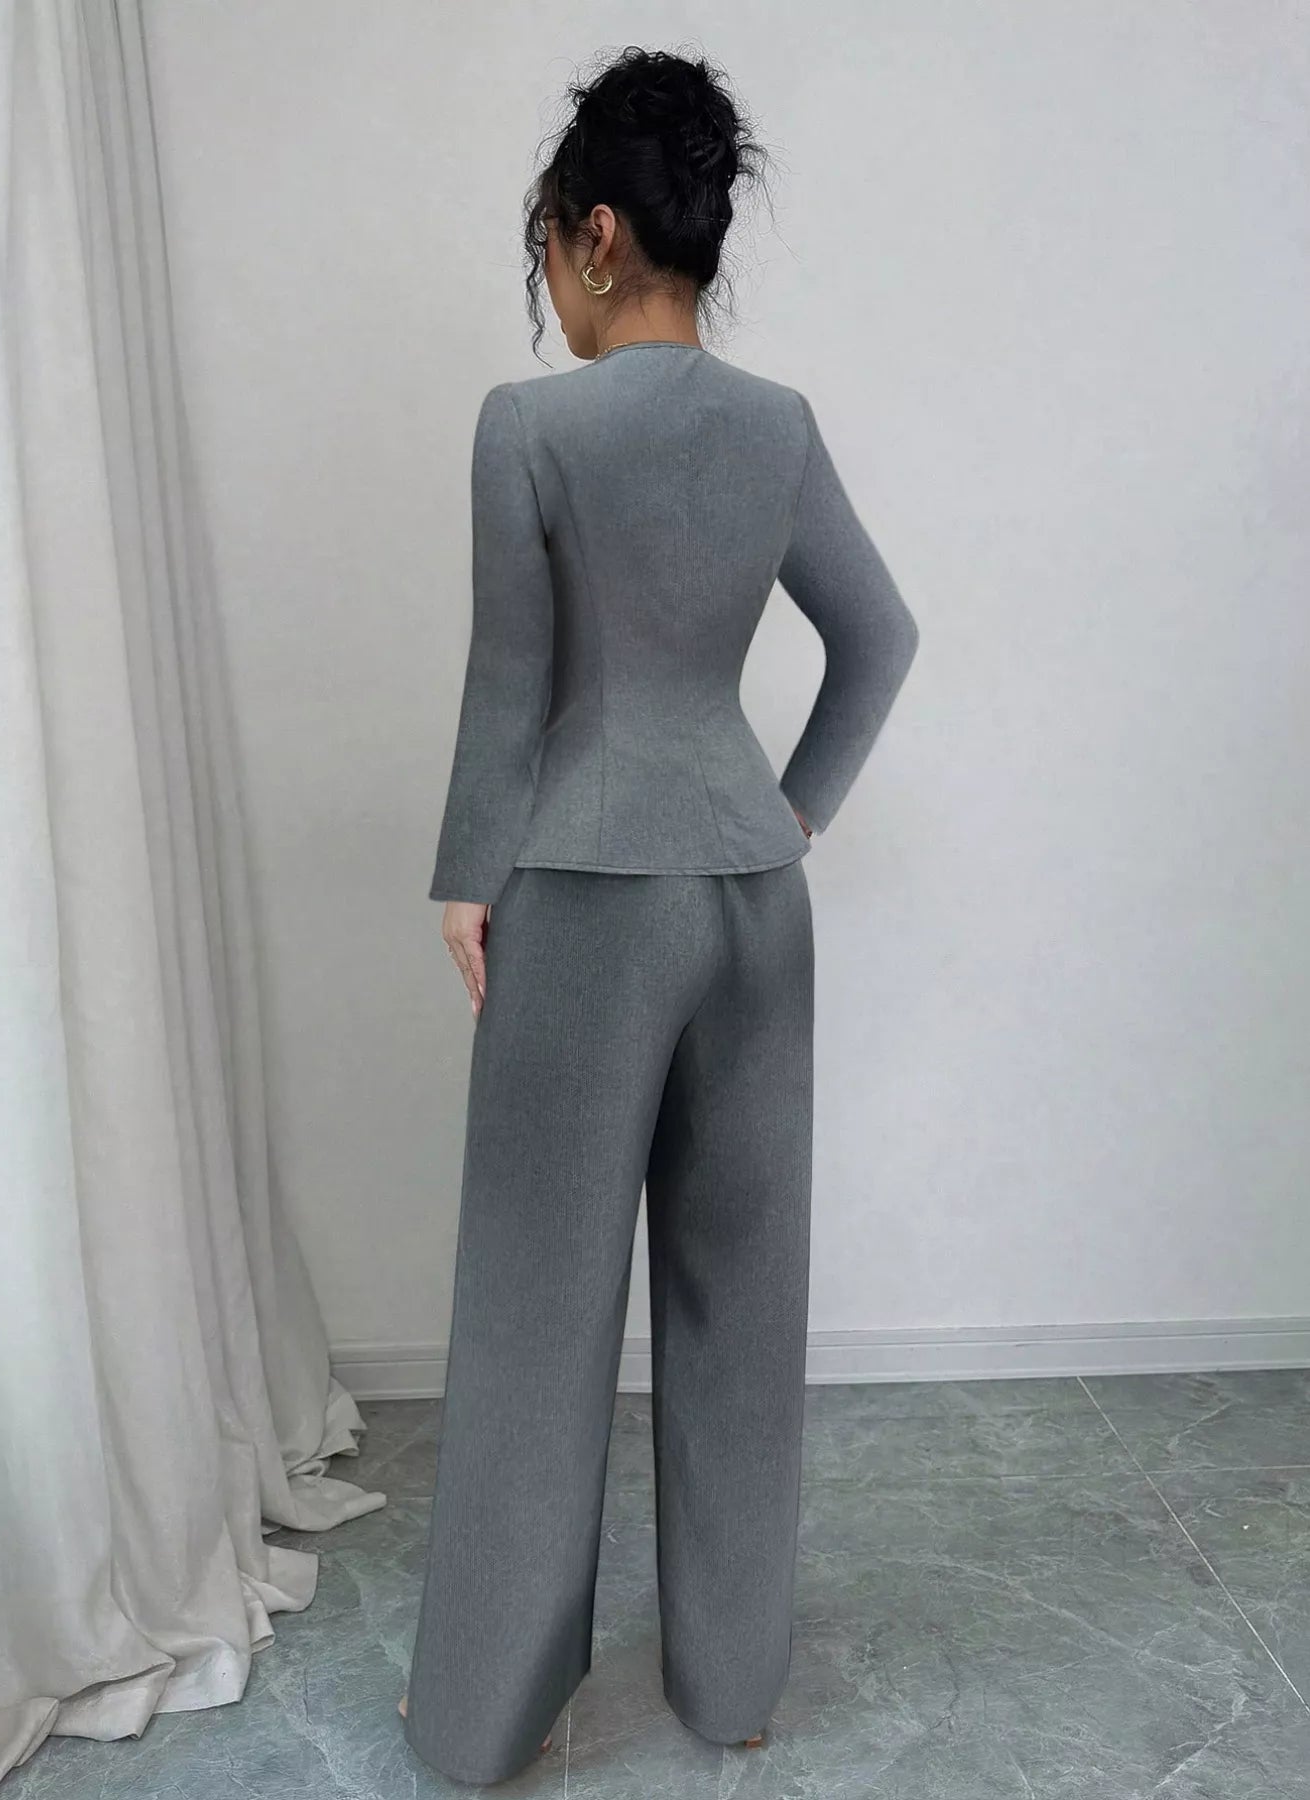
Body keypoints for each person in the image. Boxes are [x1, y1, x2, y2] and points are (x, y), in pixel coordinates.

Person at [400, 45, 921, 1786]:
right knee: (739, 1311)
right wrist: (790, 812)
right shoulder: (777, 427)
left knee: (535, 1319)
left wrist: (466, 881)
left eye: (548, 251)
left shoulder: (528, 429)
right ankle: (732, 1688)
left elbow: (509, 691)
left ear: (599, 233)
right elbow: (880, 637)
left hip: (586, 900)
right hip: (753, 909)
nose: (548, 291)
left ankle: (483, 1723)